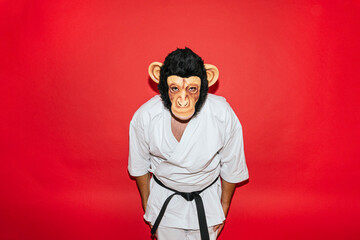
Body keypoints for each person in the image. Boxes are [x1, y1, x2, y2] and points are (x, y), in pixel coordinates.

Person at [128, 48, 249, 240]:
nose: (183, 100)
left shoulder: (221, 113)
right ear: (161, 81)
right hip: (164, 200)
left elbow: (232, 165)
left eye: (192, 89)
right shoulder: (146, 115)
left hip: (207, 200)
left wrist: (222, 208)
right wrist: (148, 204)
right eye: (175, 88)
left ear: (207, 81)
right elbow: (139, 165)